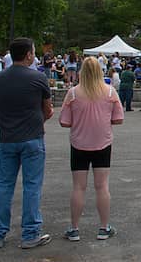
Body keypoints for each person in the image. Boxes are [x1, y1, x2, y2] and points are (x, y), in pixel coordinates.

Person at [0, 38, 54, 249]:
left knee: (4, 185)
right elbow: (48, 109)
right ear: (28, 54)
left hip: (7, 138)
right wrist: (37, 121)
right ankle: (30, 233)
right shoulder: (38, 78)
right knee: (32, 186)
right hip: (32, 138)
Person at [59, 57, 124, 241]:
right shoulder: (110, 92)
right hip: (102, 144)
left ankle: (74, 228)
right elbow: (118, 119)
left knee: (78, 187)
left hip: (79, 144)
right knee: (102, 186)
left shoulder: (72, 93)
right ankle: (104, 227)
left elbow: (65, 122)